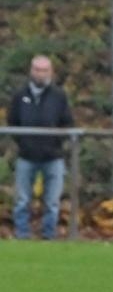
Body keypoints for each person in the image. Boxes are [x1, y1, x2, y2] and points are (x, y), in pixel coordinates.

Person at [7, 55, 74, 240]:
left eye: (44, 70)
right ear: (31, 71)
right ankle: (22, 235)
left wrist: (56, 143)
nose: (40, 74)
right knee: (22, 200)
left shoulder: (59, 96)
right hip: (26, 156)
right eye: (37, 69)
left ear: (51, 72)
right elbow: (12, 122)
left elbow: (67, 123)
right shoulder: (20, 96)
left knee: (52, 201)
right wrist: (23, 142)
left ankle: (49, 235)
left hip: (53, 157)